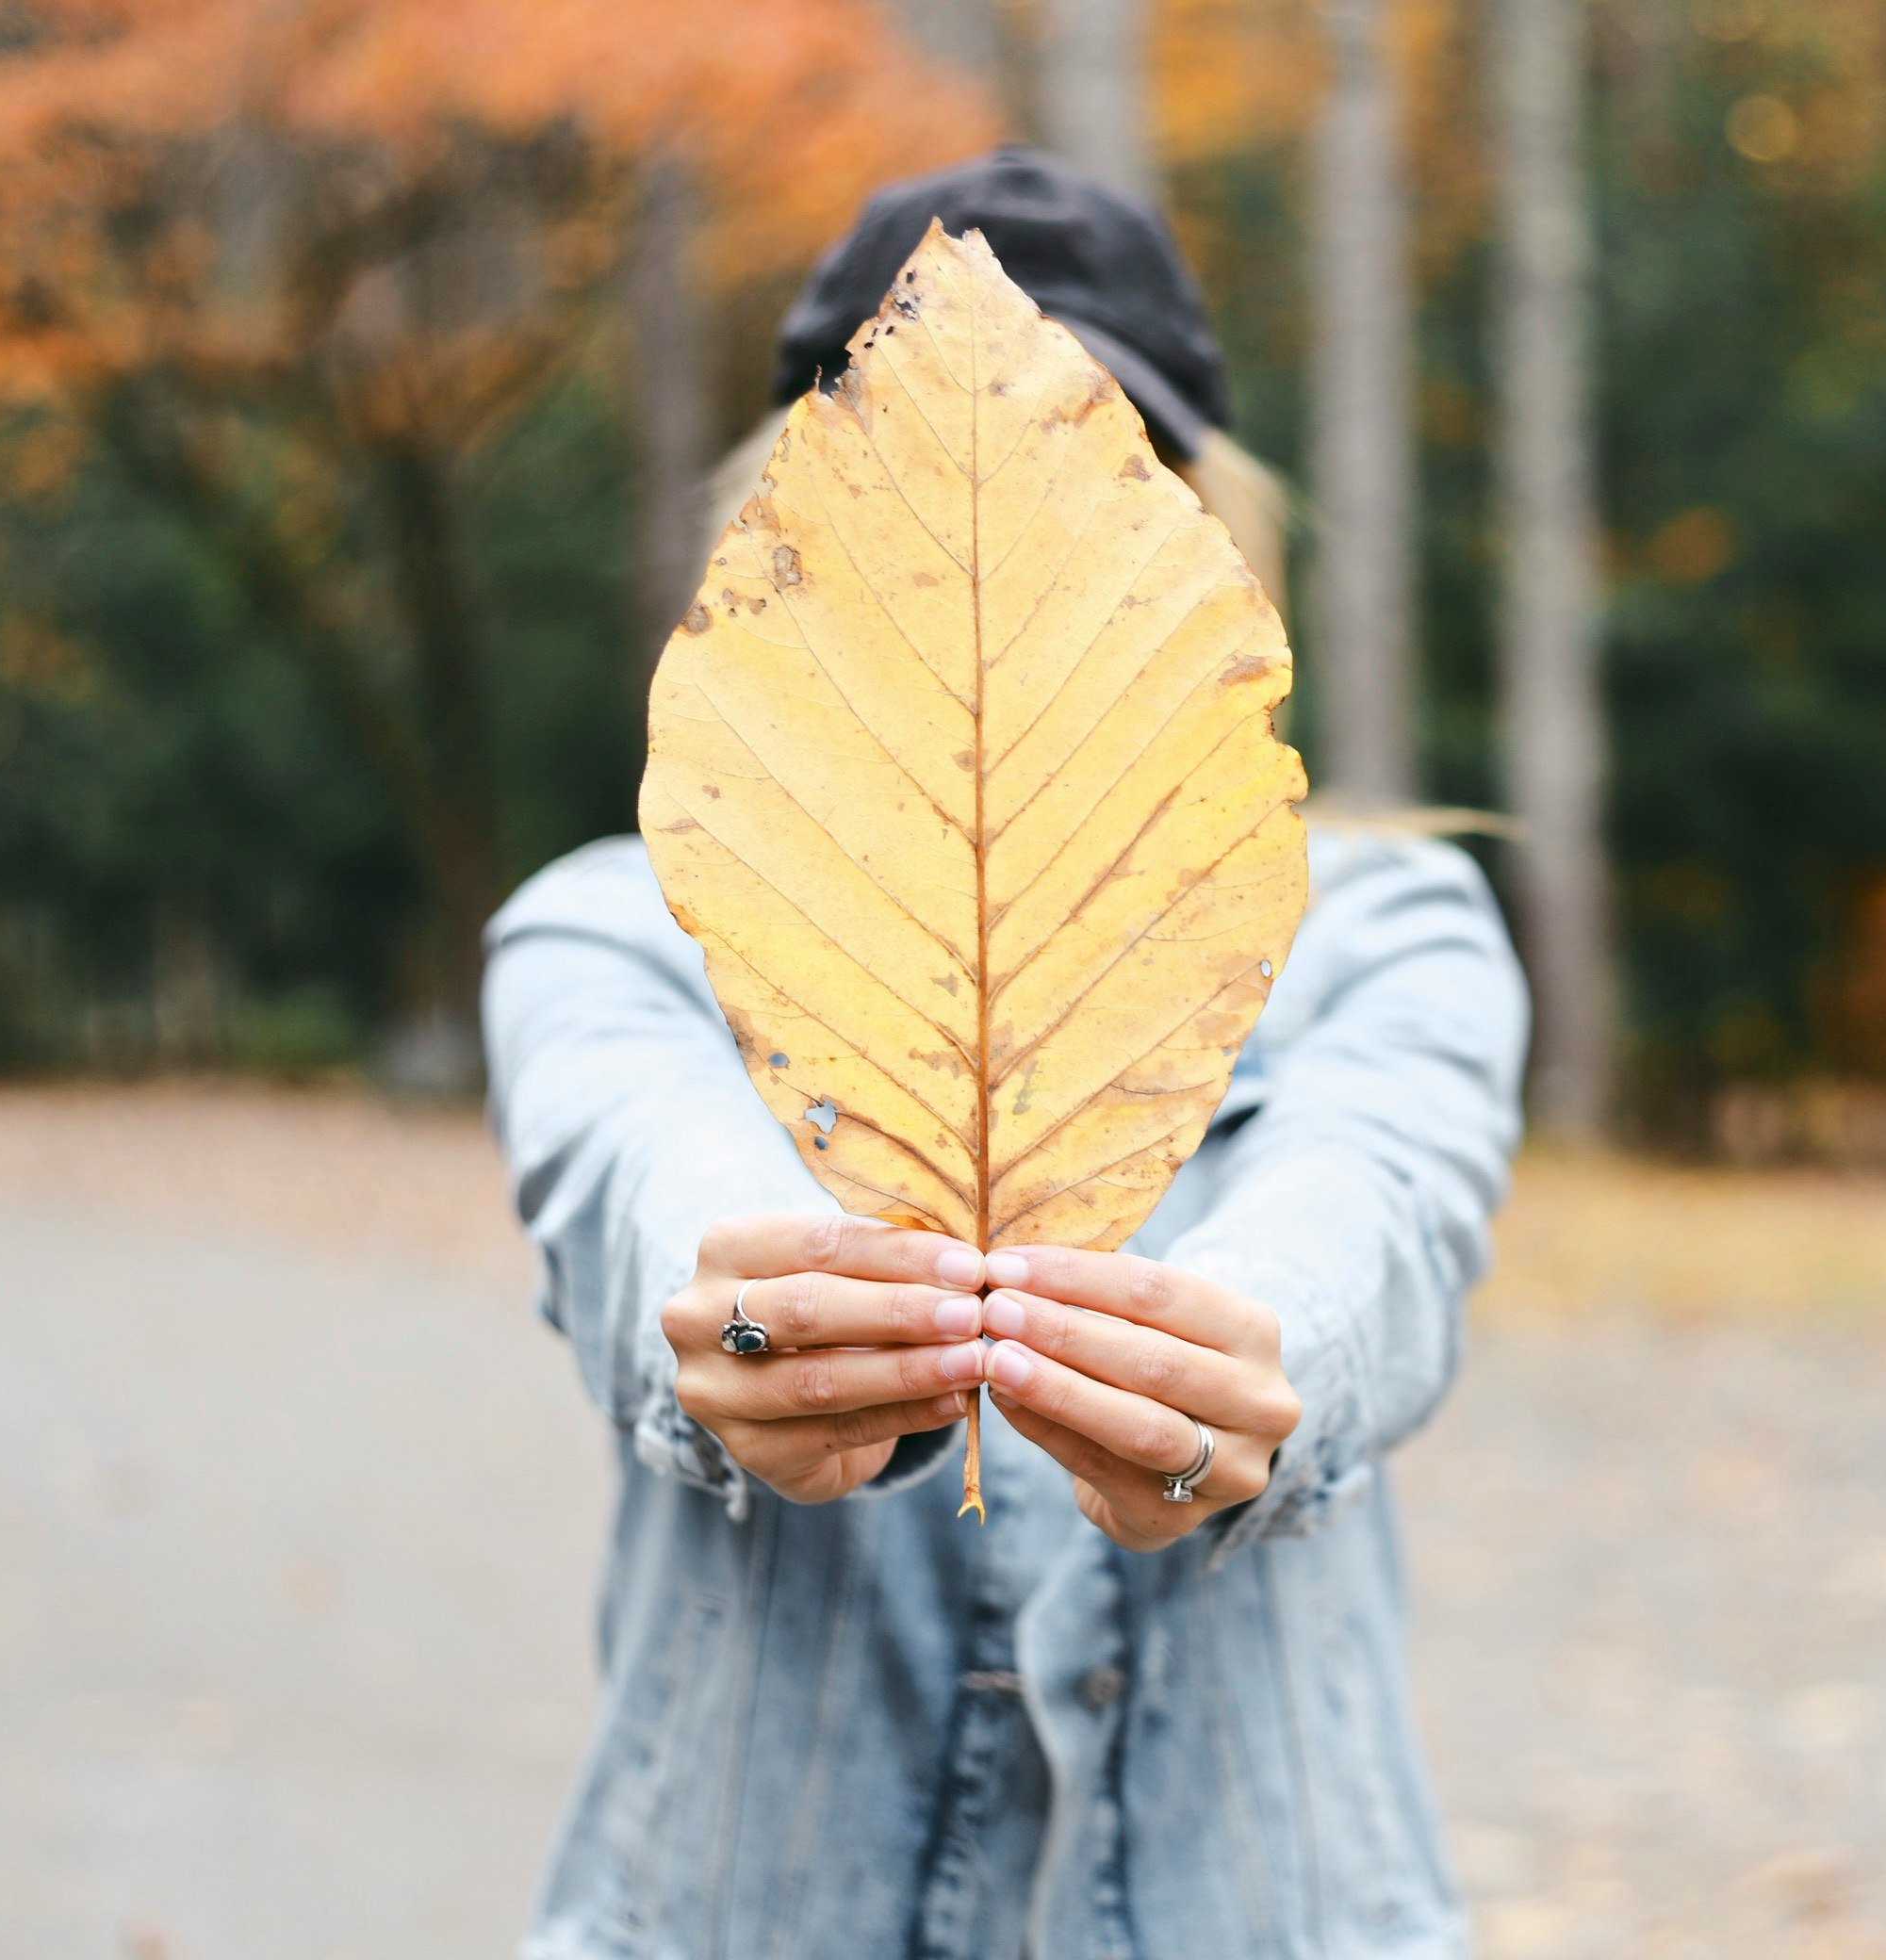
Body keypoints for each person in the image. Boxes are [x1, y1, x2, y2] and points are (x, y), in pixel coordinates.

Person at [484, 145, 1528, 1960]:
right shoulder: (615, 924)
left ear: (1204, 520)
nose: (1014, 526)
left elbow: (1378, 1206)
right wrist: (751, 1321)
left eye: (1102, 455)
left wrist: (1258, 1364)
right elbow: (643, 1180)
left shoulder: (1388, 920)